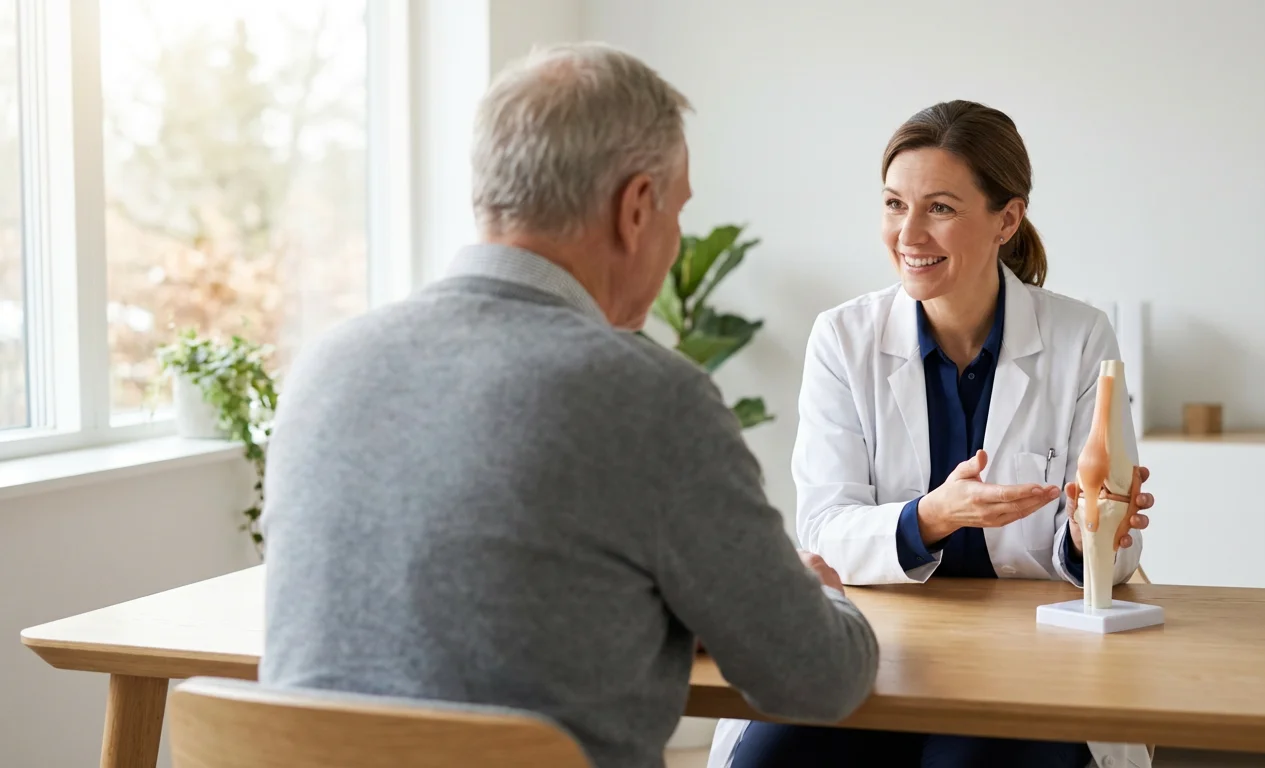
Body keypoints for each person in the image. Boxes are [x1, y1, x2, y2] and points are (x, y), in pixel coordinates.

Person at [258, 42, 879, 768]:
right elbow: (820, 679)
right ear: (637, 208)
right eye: (678, 212)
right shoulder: (652, 397)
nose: (676, 240)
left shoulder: (325, 366)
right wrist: (822, 598)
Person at [708, 100, 1157, 768]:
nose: (908, 233)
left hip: (1029, 653)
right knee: (768, 761)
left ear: (1007, 218)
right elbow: (826, 528)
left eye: (940, 208)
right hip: (876, 642)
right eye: (894, 205)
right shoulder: (842, 338)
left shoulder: (1080, 337)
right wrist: (928, 518)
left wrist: (1096, 529)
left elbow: (1112, 562)